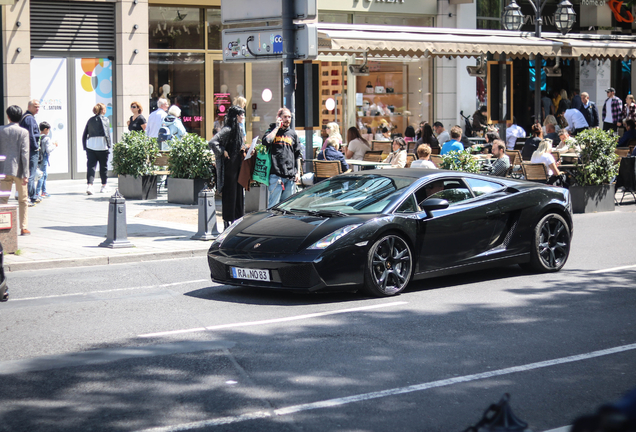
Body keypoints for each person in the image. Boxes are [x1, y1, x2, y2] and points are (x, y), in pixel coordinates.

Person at [208, 105, 246, 228]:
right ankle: (228, 221)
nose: (243, 117)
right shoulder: (228, 129)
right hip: (229, 167)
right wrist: (222, 150)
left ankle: (238, 219)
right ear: (236, 116)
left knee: (239, 193)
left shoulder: (238, 129)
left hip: (238, 165)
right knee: (230, 193)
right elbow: (212, 142)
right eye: (242, 114)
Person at [262, 107, 302, 207]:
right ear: (279, 118)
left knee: (287, 207)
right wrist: (276, 127)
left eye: (289, 117)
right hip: (276, 175)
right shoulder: (272, 131)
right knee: (273, 206)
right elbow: (266, 141)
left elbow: (298, 154)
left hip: (290, 176)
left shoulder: (293, 134)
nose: (287, 119)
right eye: (285, 117)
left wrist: (298, 172)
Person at [0, 105, 30, 236]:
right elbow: (25, 154)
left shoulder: (1, 130)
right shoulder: (23, 132)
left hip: (3, 169)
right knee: (23, 200)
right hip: (19, 170)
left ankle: (2, 223)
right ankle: (23, 227)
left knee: (2, 199)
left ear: (8, 116)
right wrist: (26, 174)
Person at [82, 103, 111, 195]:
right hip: (102, 146)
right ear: (102, 110)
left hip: (91, 146)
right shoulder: (106, 119)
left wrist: (84, 146)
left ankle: (90, 185)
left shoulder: (90, 120)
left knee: (91, 166)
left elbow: (85, 134)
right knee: (103, 167)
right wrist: (109, 145)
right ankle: (104, 185)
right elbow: (107, 134)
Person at [19, 99, 41, 205]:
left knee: (28, 173)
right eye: (35, 106)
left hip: (27, 149)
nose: (37, 109)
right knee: (31, 174)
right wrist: (36, 147)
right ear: (29, 107)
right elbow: (31, 135)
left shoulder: (26, 118)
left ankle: (28, 195)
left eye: (38, 107)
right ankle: (31, 196)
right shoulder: (29, 119)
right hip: (31, 150)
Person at [35, 122, 57, 200]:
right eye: (48, 130)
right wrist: (54, 145)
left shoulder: (38, 137)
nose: (48, 131)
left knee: (44, 174)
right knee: (42, 175)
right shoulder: (47, 138)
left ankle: (43, 191)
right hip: (44, 158)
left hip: (38, 158)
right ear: (45, 129)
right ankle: (37, 193)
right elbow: (48, 150)